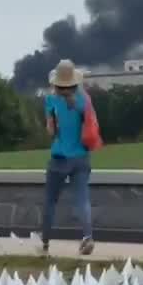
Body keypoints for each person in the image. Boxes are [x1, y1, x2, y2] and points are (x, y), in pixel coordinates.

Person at [42, 59, 95, 256]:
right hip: (81, 156)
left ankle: (45, 241)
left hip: (59, 157)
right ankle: (87, 236)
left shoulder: (51, 100)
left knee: (50, 200)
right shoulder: (84, 100)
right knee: (82, 199)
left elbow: (51, 131)